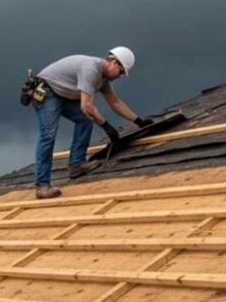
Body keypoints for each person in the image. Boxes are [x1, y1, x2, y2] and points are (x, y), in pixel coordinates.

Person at [33, 46, 152, 199]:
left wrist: (138, 121)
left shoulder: (102, 79)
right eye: (121, 71)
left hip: (62, 94)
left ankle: (77, 164)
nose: (120, 76)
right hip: (47, 91)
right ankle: (42, 186)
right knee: (48, 135)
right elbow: (86, 105)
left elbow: (114, 101)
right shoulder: (91, 69)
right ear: (114, 63)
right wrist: (106, 126)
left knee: (85, 119)